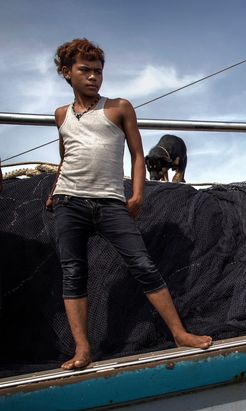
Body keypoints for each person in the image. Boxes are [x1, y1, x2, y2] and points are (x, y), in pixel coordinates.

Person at [48, 39, 212, 370]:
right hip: (70, 201)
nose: (93, 77)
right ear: (67, 73)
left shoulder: (119, 107)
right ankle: (82, 349)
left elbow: (138, 154)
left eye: (98, 71)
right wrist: (55, 189)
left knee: (142, 264)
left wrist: (137, 195)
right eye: (85, 70)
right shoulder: (61, 115)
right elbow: (66, 158)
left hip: (110, 201)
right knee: (73, 272)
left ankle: (179, 333)